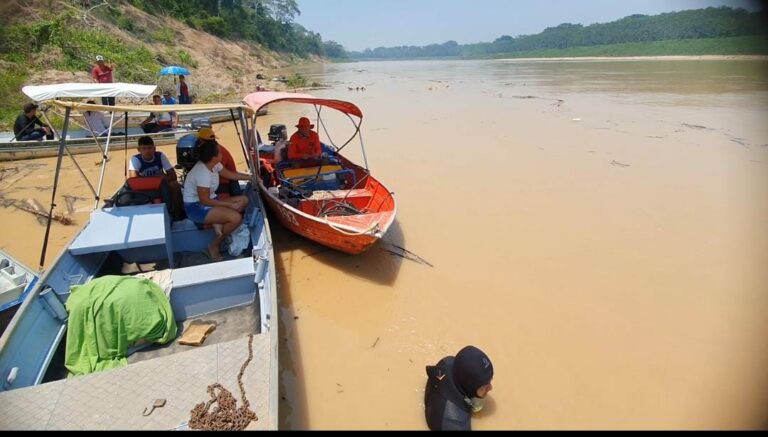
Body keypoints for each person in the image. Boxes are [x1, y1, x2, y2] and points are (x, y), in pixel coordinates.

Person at [183, 140, 252, 262]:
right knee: (236, 218)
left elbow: (230, 175)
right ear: (213, 157)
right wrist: (229, 205)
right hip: (196, 207)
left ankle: (218, 222)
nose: (222, 154)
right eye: (219, 152)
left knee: (244, 200)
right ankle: (214, 245)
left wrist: (251, 177)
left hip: (211, 200)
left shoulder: (215, 165)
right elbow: (205, 201)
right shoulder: (202, 173)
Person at [424, 346, 494, 431]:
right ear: (470, 385)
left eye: (490, 381)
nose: (491, 388)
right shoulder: (456, 424)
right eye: (485, 386)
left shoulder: (448, 362)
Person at [128, 136, 185, 221]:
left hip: (161, 185)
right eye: (144, 148)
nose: (147, 151)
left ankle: (178, 213)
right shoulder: (136, 159)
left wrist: (161, 180)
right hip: (144, 188)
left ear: (154, 148)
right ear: (138, 149)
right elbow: (133, 180)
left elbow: (173, 176)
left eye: (150, 148)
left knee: (175, 185)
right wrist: (157, 179)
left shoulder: (160, 156)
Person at [197, 128, 242, 196]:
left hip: (225, 185)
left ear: (201, 140)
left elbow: (223, 173)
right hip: (220, 183)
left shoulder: (216, 153)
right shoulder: (216, 150)